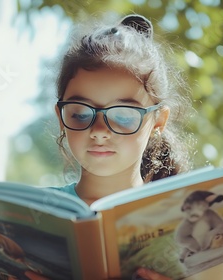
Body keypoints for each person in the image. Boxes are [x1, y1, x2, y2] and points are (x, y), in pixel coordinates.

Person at [28, 13, 193, 280]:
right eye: (81, 113)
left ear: (158, 121)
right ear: (61, 118)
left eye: (124, 115)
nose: (100, 132)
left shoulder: (187, 222)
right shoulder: (33, 215)